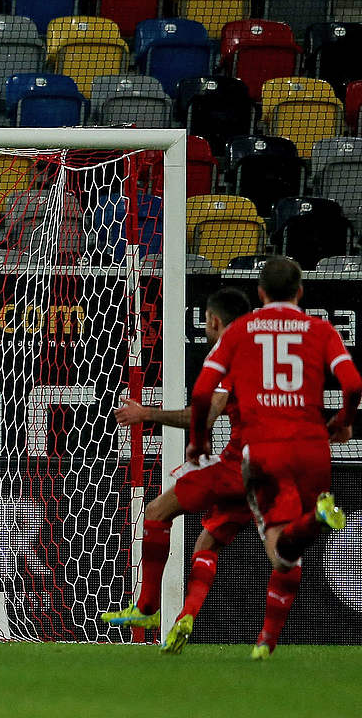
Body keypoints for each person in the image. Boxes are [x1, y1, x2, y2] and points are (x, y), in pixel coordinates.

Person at [188, 257, 361, 659]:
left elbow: (201, 393)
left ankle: (317, 521)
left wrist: (198, 440)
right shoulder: (319, 328)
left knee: (278, 548)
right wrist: (344, 422)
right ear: (300, 292)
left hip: (266, 450)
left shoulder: (243, 329)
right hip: (313, 448)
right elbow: (352, 383)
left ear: (260, 293)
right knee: (291, 552)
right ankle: (267, 640)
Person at [100, 288, 253, 653]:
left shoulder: (229, 354)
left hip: (239, 466)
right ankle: (186, 617)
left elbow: (208, 413)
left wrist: (145, 414)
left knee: (155, 511)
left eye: (205, 322)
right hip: (274, 469)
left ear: (214, 321)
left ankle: (148, 608)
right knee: (209, 542)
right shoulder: (264, 351)